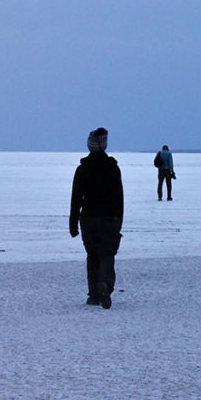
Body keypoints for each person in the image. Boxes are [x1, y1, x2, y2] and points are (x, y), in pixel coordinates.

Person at [69, 127, 124, 309]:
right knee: (107, 254)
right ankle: (105, 285)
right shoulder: (112, 168)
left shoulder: (82, 169)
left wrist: (73, 223)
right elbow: (119, 197)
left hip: (88, 219)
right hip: (109, 218)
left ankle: (94, 294)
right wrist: (119, 221)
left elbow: (76, 197)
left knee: (92, 255)